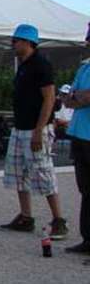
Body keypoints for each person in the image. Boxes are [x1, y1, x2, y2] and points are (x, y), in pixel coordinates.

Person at [0, 24, 68, 239]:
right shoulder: (23, 65)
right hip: (20, 128)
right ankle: (25, 216)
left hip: (36, 129)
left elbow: (49, 98)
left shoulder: (41, 65)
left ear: (28, 42)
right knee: (18, 172)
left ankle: (59, 220)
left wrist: (39, 130)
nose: (13, 44)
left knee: (42, 171)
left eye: (15, 41)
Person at [62, 23, 90, 254]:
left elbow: (80, 96)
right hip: (79, 134)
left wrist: (76, 96)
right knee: (85, 189)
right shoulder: (84, 68)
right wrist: (76, 96)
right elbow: (69, 98)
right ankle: (87, 238)